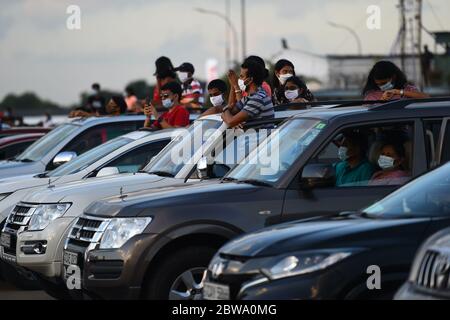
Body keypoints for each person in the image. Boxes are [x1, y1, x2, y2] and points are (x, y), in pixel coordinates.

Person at [222, 60, 274, 128]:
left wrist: (226, 110)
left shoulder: (258, 98)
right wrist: (232, 118)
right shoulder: (250, 97)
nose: (239, 79)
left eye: (241, 76)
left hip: (261, 138)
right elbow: (228, 114)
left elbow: (230, 121)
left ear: (249, 80)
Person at [363, 61, 429, 101]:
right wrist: (381, 101)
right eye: (378, 84)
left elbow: (426, 98)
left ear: (393, 77)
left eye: (384, 83)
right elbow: (367, 115)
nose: (381, 86)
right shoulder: (371, 95)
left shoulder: (407, 89)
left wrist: (398, 92)